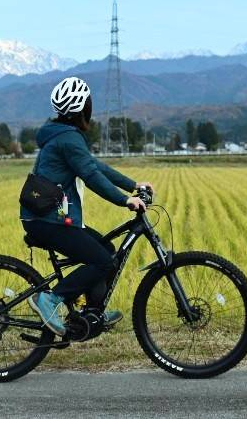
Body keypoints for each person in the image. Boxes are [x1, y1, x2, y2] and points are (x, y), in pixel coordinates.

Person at [20, 76, 152, 335]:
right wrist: (125, 200)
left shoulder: (64, 135)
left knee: (106, 249)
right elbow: (91, 177)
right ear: (82, 109)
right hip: (48, 221)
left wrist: (133, 185)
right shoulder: (68, 139)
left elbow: (94, 166)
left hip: (50, 217)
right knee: (103, 262)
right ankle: (49, 299)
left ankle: (91, 313)